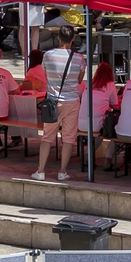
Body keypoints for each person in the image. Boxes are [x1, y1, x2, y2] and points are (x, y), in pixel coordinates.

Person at [32, 27, 85, 182]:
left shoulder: (48, 55)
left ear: (59, 38)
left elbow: (46, 73)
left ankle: (40, 171)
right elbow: (80, 80)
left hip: (53, 102)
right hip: (72, 101)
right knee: (68, 137)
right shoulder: (79, 59)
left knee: (47, 137)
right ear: (73, 38)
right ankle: (63, 171)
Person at [78, 61, 121, 167]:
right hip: (96, 124)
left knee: (98, 128)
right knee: (112, 129)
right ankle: (103, 158)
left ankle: (89, 156)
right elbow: (115, 104)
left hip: (81, 123)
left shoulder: (89, 84)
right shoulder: (110, 85)